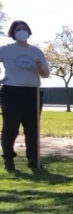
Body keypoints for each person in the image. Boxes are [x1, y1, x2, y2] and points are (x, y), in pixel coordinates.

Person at [1, 20, 50, 172]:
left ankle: (34, 161)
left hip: (33, 93)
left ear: (29, 32)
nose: (22, 31)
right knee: (10, 129)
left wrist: (41, 67)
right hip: (11, 92)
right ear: (13, 33)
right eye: (18, 29)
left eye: (24, 28)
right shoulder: (6, 50)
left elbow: (46, 74)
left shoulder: (36, 51)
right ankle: (8, 160)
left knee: (32, 129)